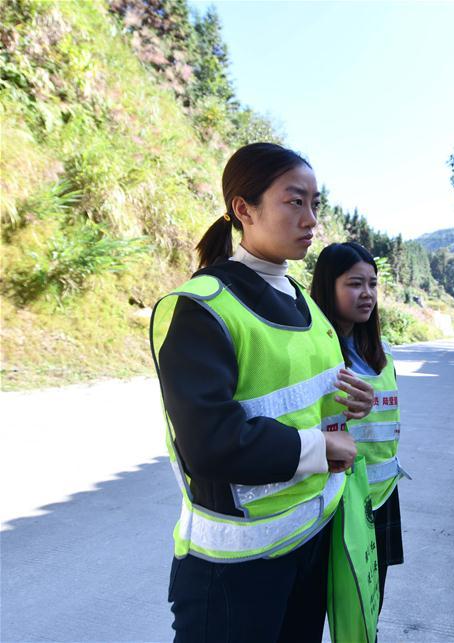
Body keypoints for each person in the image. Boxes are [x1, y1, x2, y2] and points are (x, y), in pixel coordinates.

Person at [149, 142, 375, 642]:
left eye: (316, 204)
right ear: (243, 209)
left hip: (309, 542)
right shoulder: (201, 309)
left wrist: (348, 406)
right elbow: (208, 441)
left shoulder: (304, 303)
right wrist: (320, 448)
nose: (311, 219)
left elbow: (311, 402)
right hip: (234, 570)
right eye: (295, 202)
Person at [311, 241, 406, 616]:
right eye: (354, 284)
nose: (367, 294)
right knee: (316, 610)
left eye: (372, 283)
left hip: (379, 499)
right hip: (330, 502)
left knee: (366, 614)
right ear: (327, 287)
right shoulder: (315, 353)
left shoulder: (382, 354)